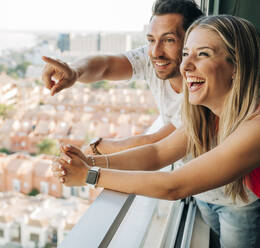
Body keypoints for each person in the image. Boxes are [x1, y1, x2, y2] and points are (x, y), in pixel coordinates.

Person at [53, 15, 260, 248]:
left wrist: (89, 176)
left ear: (237, 65)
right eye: (186, 54)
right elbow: (158, 153)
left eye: (203, 54)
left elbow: (174, 185)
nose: (186, 66)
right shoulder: (209, 112)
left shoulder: (256, 125)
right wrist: (90, 161)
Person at [42, 0, 203, 155]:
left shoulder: (201, 86)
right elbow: (106, 66)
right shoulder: (152, 58)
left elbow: (156, 143)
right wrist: (75, 72)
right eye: (151, 40)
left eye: (169, 40)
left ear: (193, 42)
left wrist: (97, 150)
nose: (155, 52)